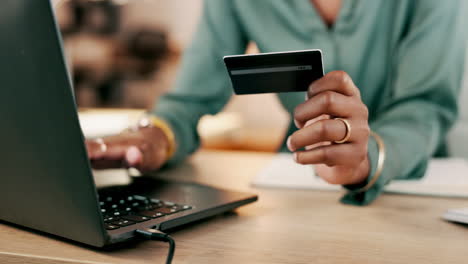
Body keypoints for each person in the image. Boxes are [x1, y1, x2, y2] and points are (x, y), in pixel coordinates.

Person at [86, 0, 467, 205]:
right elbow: (187, 101)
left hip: (413, 186)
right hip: (298, 184)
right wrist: (155, 134)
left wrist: (366, 156)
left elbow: (424, 107)